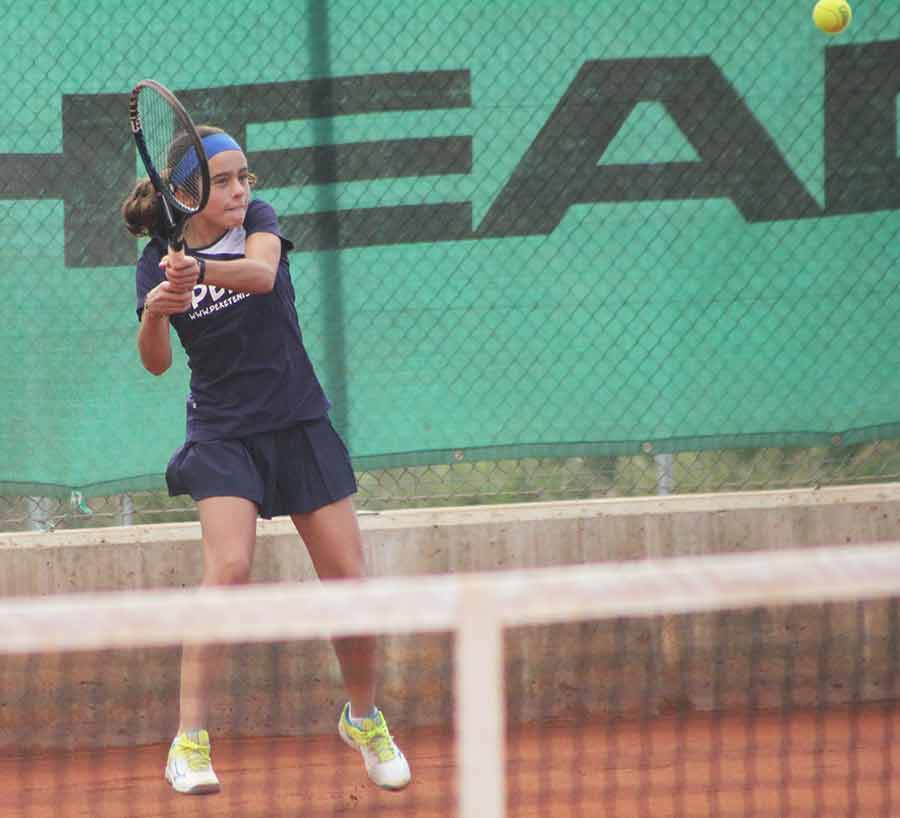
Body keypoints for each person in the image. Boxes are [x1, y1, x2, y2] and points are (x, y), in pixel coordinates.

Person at [121, 126, 411, 796]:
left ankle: (363, 719)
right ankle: (188, 743)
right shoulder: (155, 261)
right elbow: (156, 363)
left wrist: (198, 273)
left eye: (244, 177)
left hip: (298, 421)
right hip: (222, 433)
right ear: (186, 194)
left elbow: (261, 275)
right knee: (229, 570)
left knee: (350, 583)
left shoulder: (258, 222)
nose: (240, 190)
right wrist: (156, 312)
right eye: (223, 181)